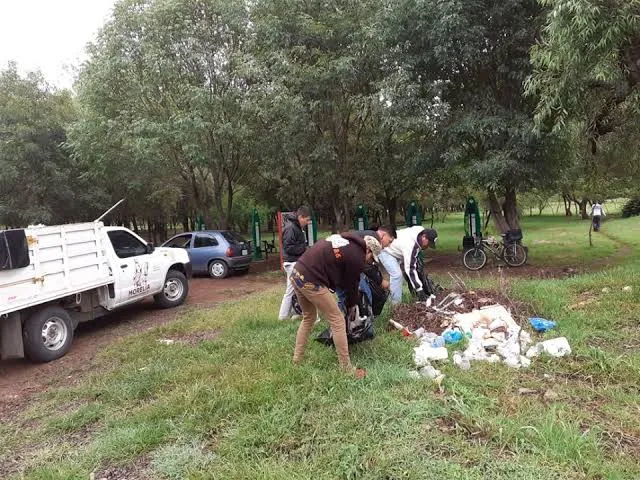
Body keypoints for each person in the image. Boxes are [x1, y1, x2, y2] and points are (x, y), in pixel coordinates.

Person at [291, 233, 382, 374]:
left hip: (297, 273)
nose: (369, 261)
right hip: (311, 280)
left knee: (309, 317)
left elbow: (340, 273)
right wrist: (352, 305)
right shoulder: (357, 256)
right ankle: (346, 368)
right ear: (369, 250)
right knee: (337, 320)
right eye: (371, 258)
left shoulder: (347, 241)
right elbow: (352, 286)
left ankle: (297, 359)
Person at [383, 226, 438, 302]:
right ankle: (395, 304)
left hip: (398, 250)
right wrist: (419, 290)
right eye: (428, 243)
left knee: (406, 272)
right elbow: (410, 268)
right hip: (386, 250)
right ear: (424, 237)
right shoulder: (410, 245)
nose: (428, 246)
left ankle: (395, 299)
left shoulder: (421, 230)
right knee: (397, 275)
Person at [278, 206, 312, 320]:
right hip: (292, 263)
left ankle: (286, 316)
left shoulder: (297, 227)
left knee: (291, 290)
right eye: (306, 220)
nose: (307, 223)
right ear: (300, 217)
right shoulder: (291, 228)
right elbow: (288, 248)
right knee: (304, 288)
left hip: (294, 262)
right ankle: (309, 315)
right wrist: (304, 248)